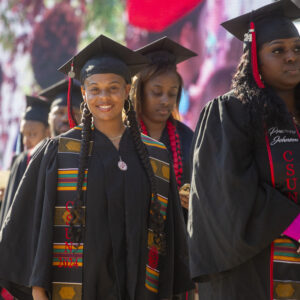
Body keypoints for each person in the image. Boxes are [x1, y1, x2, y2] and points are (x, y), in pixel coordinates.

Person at [0, 34, 194, 300]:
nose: (104, 96)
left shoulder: (155, 155)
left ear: (127, 89)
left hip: (139, 288)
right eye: (95, 88)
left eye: (113, 87)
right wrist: (38, 292)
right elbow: (35, 230)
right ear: (83, 92)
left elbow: (170, 236)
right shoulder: (59, 152)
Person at [188, 0, 300, 299]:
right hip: (254, 274)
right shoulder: (231, 112)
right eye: (278, 50)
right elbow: (228, 193)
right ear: (256, 59)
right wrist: (297, 225)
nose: (291, 57)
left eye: (297, 48)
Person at [132, 37, 196, 220]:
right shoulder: (122, 135)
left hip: (179, 237)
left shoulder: (187, 139)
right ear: (139, 91)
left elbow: (205, 191)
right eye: (157, 92)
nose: (166, 101)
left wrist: (195, 201)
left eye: (172, 93)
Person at [0, 96, 50, 229]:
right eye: (23, 134)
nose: (25, 142)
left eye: (32, 134)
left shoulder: (53, 161)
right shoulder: (20, 160)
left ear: (48, 132)